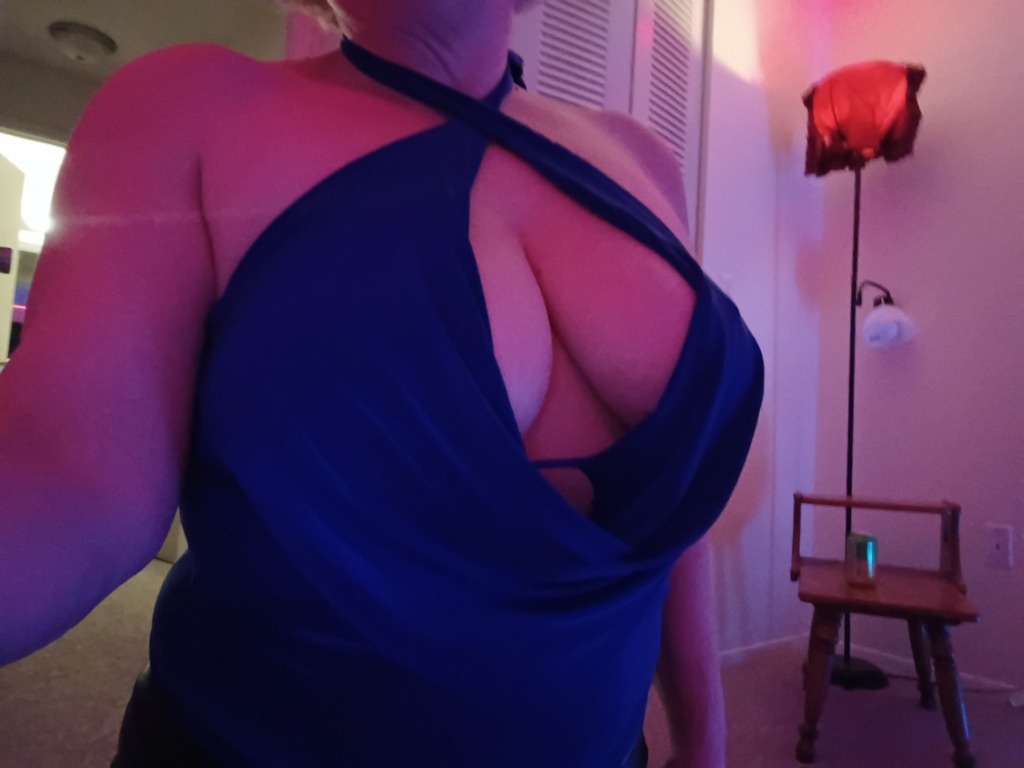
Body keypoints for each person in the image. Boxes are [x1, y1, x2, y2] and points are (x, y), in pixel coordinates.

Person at [0, 0, 763, 765]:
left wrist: (703, 736)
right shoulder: (183, 107)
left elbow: (680, 501)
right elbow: (67, 461)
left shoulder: (645, 159)